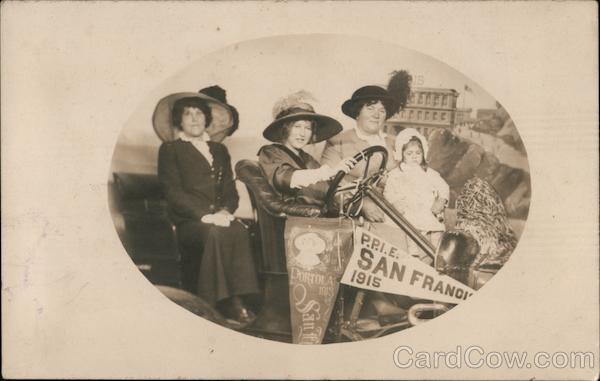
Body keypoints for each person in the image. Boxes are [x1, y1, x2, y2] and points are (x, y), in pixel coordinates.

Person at [154, 92, 259, 324]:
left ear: (206, 119)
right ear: (178, 121)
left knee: (239, 230)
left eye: (199, 113)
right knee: (215, 233)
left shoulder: (219, 150)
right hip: (190, 221)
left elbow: (230, 190)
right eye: (187, 114)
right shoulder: (170, 149)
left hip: (220, 217)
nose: (194, 119)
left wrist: (225, 212)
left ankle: (237, 298)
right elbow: (173, 192)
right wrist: (204, 215)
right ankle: (214, 302)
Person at [321, 71, 412, 222]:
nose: (376, 115)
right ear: (357, 113)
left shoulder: (398, 143)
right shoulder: (338, 143)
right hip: (355, 220)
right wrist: (362, 204)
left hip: (401, 215)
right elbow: (329, 185)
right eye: (370, 108)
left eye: (382, 111)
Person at [258, 91, 357, 206]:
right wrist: (331, 172)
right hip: (291, 219)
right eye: (297, 126)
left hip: (314, 217)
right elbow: (285, 178)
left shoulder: (307, 159)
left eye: (308, 128)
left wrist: (350, 189)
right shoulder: (270, 152)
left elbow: (326, 189)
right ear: (285, 129)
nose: (302, 133)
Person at [383, 128, 450, 261]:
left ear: (423, 154)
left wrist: (441, 200)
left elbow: (444, 186)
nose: (414, 156)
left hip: (428, 209)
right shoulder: (396, 174)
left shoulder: (429, 173)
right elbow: (388, 192)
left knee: (437, 228)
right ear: (402, 155)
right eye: (409, 153)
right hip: (409, 208)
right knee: (410, 226)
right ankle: (413, 253)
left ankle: (437, 253)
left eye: (418, 153)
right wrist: (395, 202)